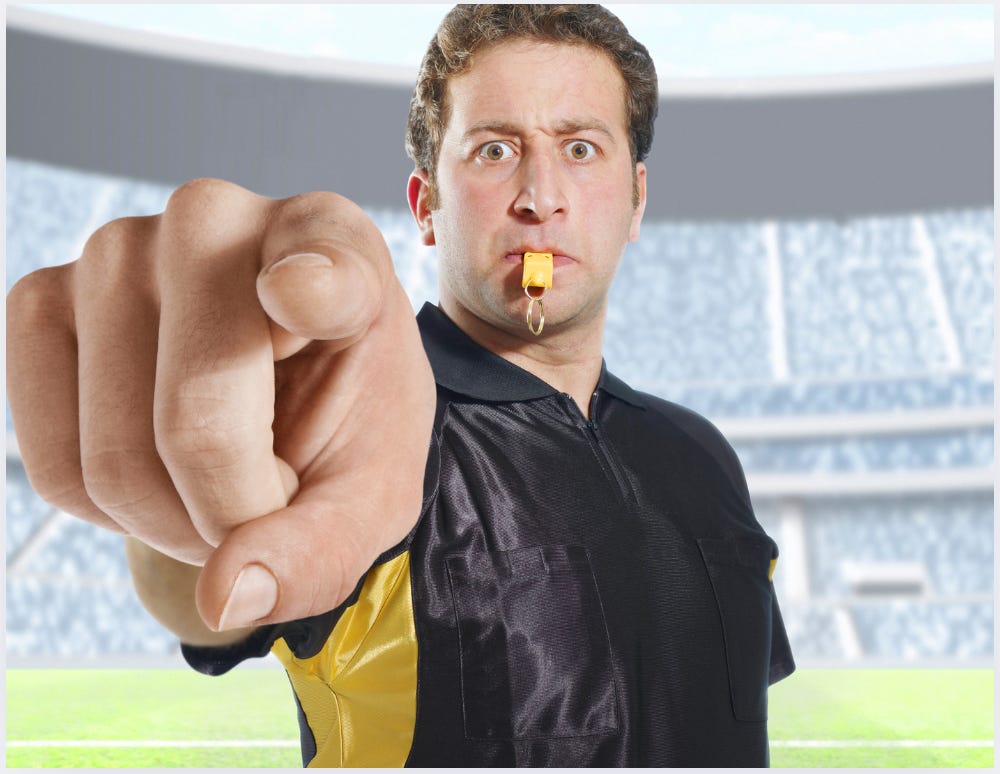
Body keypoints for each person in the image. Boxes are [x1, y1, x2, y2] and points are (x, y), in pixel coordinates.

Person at [6, 4, 794, 767]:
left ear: (636, 201)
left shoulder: (702, 455)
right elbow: (196, 577)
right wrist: (204, 459)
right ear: (426, 205)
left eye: (581, 149)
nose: (540, 196)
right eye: (494, 150)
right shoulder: (360, 424)